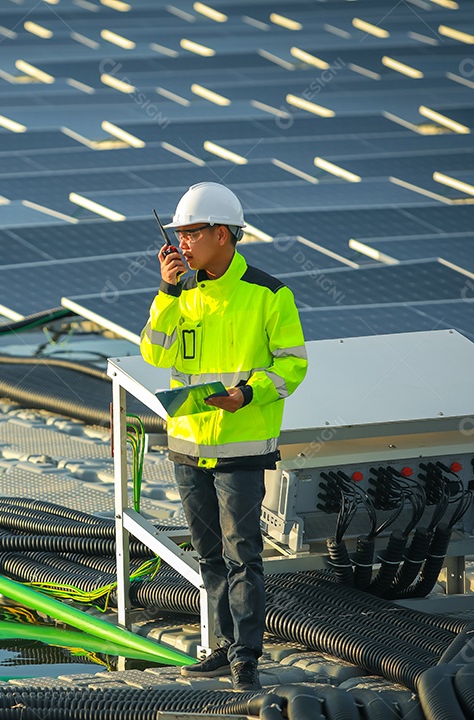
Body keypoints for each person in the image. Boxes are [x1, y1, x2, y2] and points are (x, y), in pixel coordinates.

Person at [139, 182, 307, 691]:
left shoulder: (270, 294)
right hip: (187, 445)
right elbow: (154, 354)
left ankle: (246, 658)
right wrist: (166, 294)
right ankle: (220, 646)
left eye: (192, 233)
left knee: (243, 556)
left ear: (223, 234)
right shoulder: (180, 293)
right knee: (208, 554)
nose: (183, 244)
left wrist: (247, 395)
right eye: (179, 235)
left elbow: (292, 366)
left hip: (240, 447)